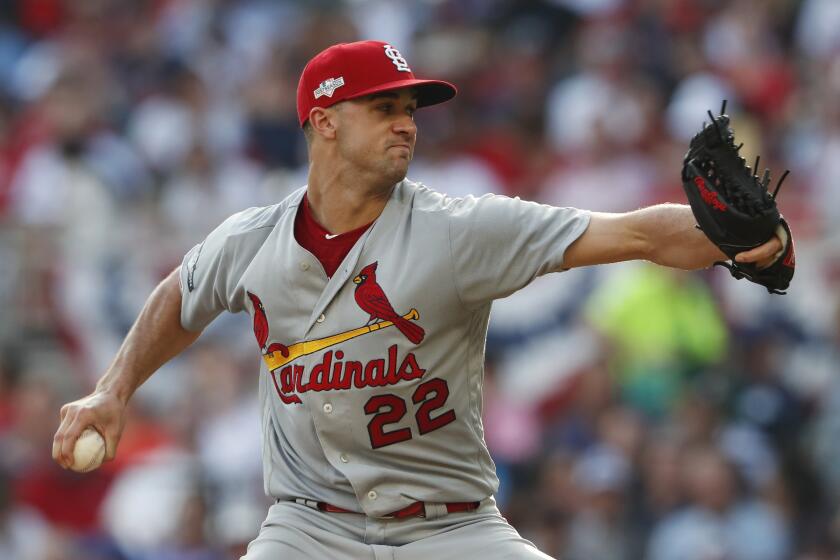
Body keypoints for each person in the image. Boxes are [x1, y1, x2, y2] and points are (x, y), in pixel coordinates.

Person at [51, 40, 784, 559]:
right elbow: (180, 297)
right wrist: (114, 389)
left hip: (451, 529)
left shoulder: (459, 231)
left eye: (410, 107)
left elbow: (634, 235)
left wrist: (744, 239)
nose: (407, 121)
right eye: (384, 108)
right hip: (309, 531)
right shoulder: (251, 241)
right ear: (325, 121)